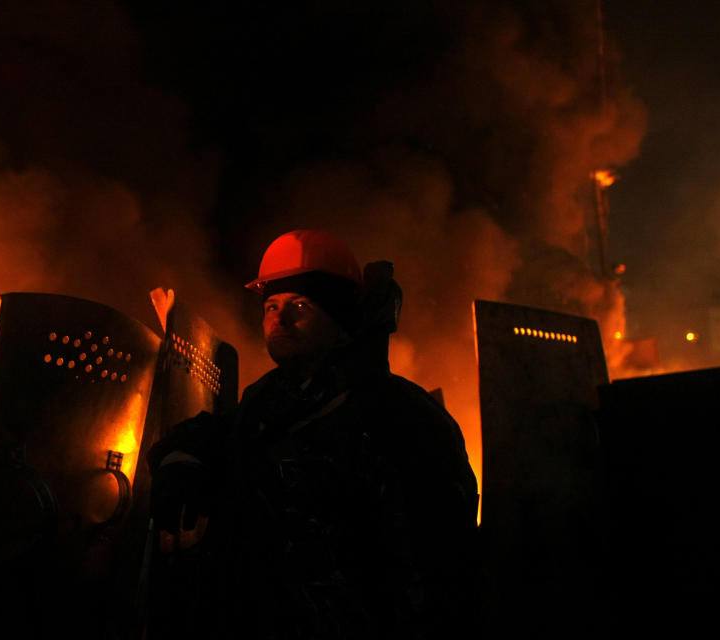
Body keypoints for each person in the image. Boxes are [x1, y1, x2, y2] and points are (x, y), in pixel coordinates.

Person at [146, 230, 478, 639]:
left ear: (340, 324)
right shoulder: (268, 401)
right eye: (271, 306)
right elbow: (222, 434)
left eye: (300, 306)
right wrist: (183, 458)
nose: (279, 320)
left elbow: (439, 573)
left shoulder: (402, 416)